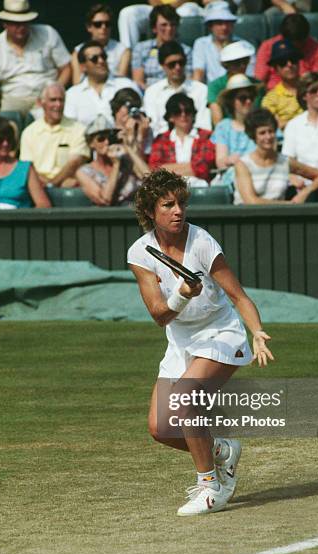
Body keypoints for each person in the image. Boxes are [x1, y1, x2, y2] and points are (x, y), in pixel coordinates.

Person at [127, 168, 274, 515]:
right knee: (159, 427)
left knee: (183, 398)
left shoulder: (203, 242)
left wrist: (257, 332)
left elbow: (238, 296)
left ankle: (210, 488)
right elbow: (160, 315)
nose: (178, 210)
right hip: (180, 338)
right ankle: (222, 451)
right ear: (151, 212)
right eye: (168, 204)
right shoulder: (140, 253)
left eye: (181, 203)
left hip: (220, 333)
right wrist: (181, 294)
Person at [0, 0, 71, 115]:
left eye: (25, 22)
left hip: (45, 95)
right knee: (5, 121)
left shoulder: (48, 33)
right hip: (11, 99)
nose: (21, 27)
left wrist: (54, 91)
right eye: (15, 23)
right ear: (5, 24)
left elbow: (66, 68)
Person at [234, 109, 318, 204]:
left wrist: (304, 193)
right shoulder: (243, 164)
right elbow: (251, 201)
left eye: (270, 131)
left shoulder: (285, 161)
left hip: (278, 216)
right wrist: (288, 205)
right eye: (262, 133)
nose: (268, 137)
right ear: (253, 136)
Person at [0, 117, 51, 210]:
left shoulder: (26, 169)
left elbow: (43, 205)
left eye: (9, 139)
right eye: (0, 140)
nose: (5, 144)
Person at [19, 83, 89, 188]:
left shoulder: (79, 130)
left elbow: (75, 162)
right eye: (53, 100)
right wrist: (46, 184)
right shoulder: (29, 133)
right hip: (38, 184)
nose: (58, 105)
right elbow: (28, 167)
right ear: (41, 103)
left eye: (61, 100)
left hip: (67, 183)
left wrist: (52, 184)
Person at [76, 115, 149, 206]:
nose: (107, 142)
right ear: (91, 144)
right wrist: (116, 164)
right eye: (101, 139)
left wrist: (127, 147)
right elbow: (105, 199)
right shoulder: (84, 172)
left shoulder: (126, 162)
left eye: (110, 138)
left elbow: (150, 179)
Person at [64, 41, 141, 128]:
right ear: (83, 67)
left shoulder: (126, 84)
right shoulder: (72, 95)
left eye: (103, 57)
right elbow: (70, 128)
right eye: (94, 59)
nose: (101, 61)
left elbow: (141, 118)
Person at [143, 41, 211, 137]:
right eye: (172, 64)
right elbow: (153, 127)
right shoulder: (152, 92)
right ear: (162, 65)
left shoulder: (201, 90)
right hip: (162, 144)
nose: (177, 67)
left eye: (181, 62)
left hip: (195, 143)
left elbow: (204, 125)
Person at [149, 93, 216, 185]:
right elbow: (154, 169)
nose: (183, 115)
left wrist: (166, 169)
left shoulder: (206, 136)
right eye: (177, 112)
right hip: (169, 190)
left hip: (199, 189)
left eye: (187, 111)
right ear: (170, 117)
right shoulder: (161, 139)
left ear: (193, 114)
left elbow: (203, 167)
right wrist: (190, 167)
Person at [255, 14, 318, 91]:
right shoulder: (267, 47)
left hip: (305, 95)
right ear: (282, 37)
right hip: (273, 95)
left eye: (300, 43)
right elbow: (259, 80)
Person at [131, 5, 193, 91]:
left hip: (177, 92)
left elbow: (188, 80)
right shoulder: (141, 48)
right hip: (149, 93)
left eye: (173, 25)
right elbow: (138, 81)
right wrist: (154, 94)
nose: (169, 28)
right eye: (164, 25)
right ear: (154, 28)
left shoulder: (186, 51)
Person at [192, 1, 255, 84]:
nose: (224, 27)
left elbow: (251, 74)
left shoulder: (244, 46)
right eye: (219, 23)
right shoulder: (201, 44)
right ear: (210, 26)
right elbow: (198, 73)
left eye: (227, 22)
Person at [212, 74, 259, 180]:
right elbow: (220, 161)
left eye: (251, 97)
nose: (248, 101)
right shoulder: (223, 127)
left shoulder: (262, 122)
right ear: (231, 101)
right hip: (233, 178)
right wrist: (229, 160)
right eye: (243, 98)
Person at [71, 4, 130, 85]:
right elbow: (77, 83)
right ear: (89, 27)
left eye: (107, 24)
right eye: (98, 24)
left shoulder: (123, 50)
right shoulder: (78, 51)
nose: (103, 27)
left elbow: (122, 81)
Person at [208, 40, 262, 126]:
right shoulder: (215, 86)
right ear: (226, 65)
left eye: (245, 61)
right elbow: (217, 120)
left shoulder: (258, 84)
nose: (242, 66)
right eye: (237, 63)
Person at [118, 0, 203, 50]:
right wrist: (163, 10)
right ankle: (128, 56)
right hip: (158, 8)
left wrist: (168, 8)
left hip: (184, 6)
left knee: (187, 11)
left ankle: (180, 51)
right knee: (128, 13)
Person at [261, 39, 303, 131]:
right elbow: (273, 126)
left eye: (293, 60)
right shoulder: (270, 98)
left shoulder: (312, 89)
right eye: (283, 62)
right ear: (276, 69)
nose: (289, 65)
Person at [110, 88, 153, 158]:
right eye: (129, 107)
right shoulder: (108, 132)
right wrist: (129, 136)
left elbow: (142, 164)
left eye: (136, 107)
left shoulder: (143, 129)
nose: (132, 111)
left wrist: (140, 136)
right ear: (117, 106)